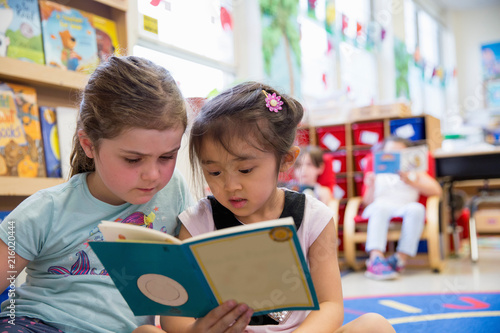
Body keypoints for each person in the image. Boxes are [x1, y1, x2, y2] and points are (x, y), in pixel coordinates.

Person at [0, 56, 248, 333]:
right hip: (36, 325)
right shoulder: (44, 210)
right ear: (89, 145)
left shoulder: (174, 192)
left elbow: (179, 298)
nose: (153, 175)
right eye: (133, 160)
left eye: (167, 156)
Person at [134, 81, 395, 333]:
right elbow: (174, 317)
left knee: (374, 325)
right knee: (145, 332)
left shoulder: (314, 218)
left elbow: (330, 304)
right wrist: (199, 329)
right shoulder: (197, 223)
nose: (230, 185)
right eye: (214, 172)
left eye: (245, 169)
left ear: (285, 161)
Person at [362, 136, 442, 280]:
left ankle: (399, 259)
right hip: (379, 207)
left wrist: (411, 181)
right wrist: (371, 184)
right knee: (380, 208)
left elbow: (437, 191)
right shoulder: (376, 171)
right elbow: (367, 203)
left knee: (417, 209)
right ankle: (375, 259)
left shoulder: (416, 171)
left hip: (404, 207)